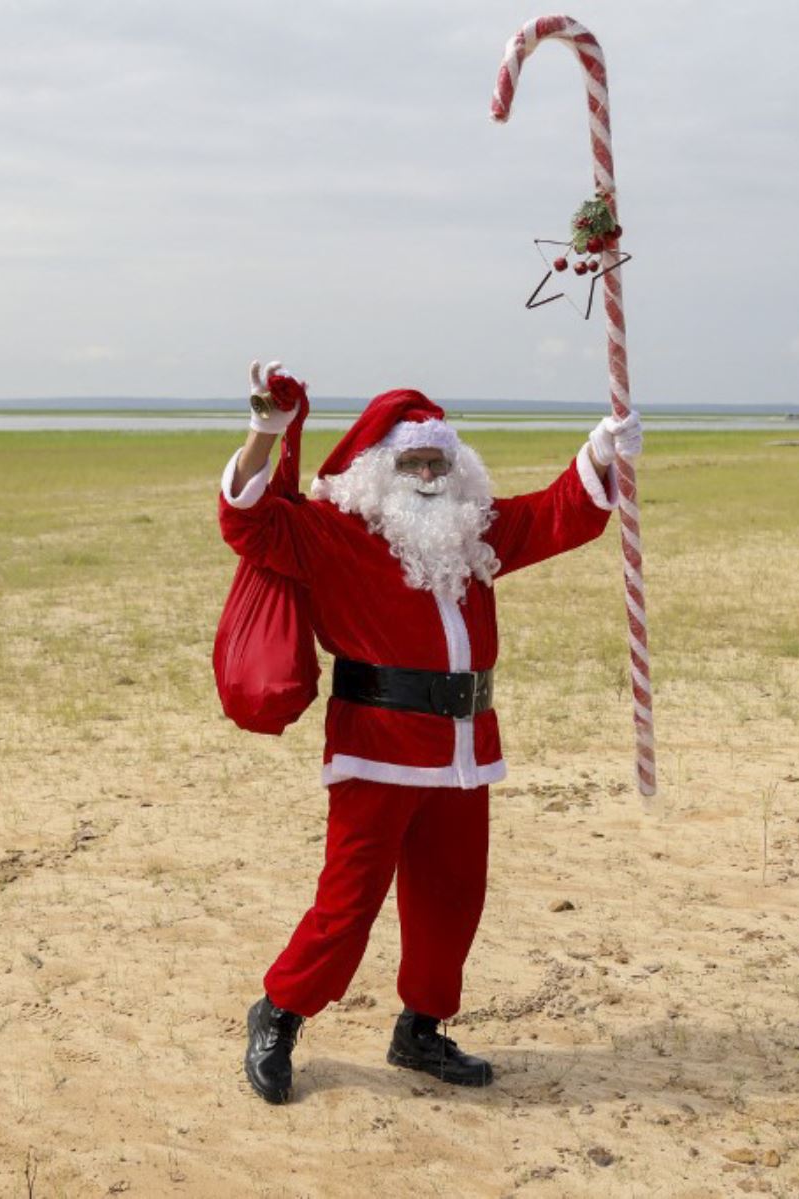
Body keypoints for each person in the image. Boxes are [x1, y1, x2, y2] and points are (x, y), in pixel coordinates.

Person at [218, 359, 643, 1104]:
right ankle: (280, 1010)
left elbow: (556, 514)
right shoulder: (334, 531)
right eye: (411, 460)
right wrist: (264, 433)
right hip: (375, 747)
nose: (427, 473)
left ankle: (421, 1028)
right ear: (378, 470)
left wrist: (601, 452)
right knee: (348, 901)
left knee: (452, 897)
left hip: (463, 754)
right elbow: (247, 519)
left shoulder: (473, 533)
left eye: (438, 459)